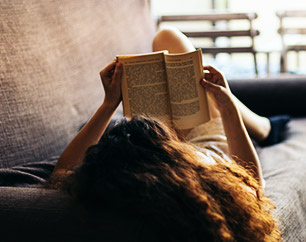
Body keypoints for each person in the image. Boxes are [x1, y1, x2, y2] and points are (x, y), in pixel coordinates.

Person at [49, 27, 289, 241]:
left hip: (170, 145)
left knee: (166, 39)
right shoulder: (209, 175)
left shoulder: (136, 178)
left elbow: (62, 172)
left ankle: (259, 124)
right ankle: (265, 128)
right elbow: (253, 182)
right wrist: (228, 109)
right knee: (168, 37)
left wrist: (109, 103)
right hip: (211, 135)